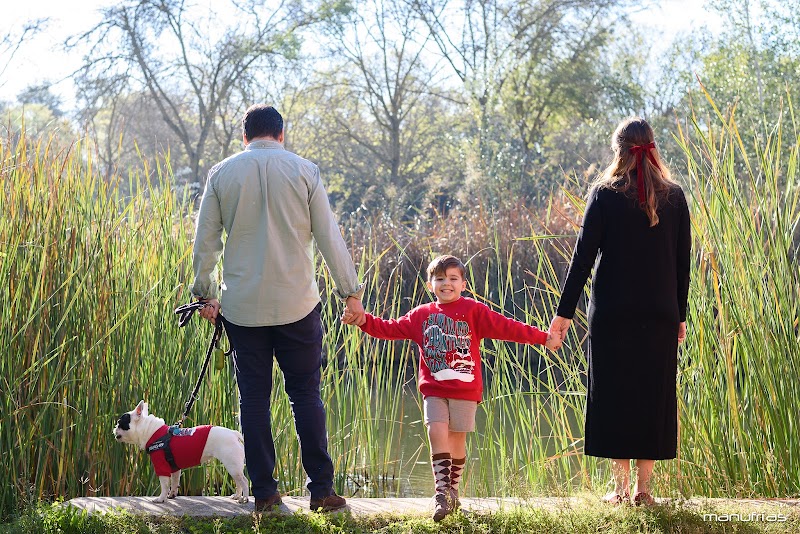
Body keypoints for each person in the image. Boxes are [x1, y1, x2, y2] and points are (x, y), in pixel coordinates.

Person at [190, 104, 366, 513]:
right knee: (306, 396)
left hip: (242, 308)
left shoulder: (221, 174)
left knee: (253, 400)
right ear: (281, 134)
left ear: (245, 136)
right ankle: (321, 491)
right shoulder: (305, 171)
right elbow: (329, 237)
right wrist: (350, 292)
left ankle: (265, 494)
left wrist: (205, 293)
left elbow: (205, 242)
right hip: (298, 305)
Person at [343, 254, 561, 521]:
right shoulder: (421, 315)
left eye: (453, 278)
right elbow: (389, 328)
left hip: (465, 390)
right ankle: (441, 494)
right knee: (436, 431)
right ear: (430, 285)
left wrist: (543, 338)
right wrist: (363, 320)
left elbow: (508, 327)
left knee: (457, 440)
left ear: (463, 284)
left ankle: (452, 493)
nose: (446, 283)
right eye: (440, 279)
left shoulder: (474, 311)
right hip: (434, 389)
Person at [549, 117, 691, 506]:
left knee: (615, 396)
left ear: (618, 150)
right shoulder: (675, 196)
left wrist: (563, 314)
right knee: (652, 397)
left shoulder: (604, 194)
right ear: (652, 147)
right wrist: (680, 314)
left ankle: (620, 488)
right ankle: (644, 490)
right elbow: (682, 263)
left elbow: (582, 259)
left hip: (613, 314)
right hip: (660, 313)